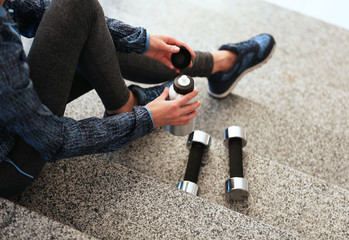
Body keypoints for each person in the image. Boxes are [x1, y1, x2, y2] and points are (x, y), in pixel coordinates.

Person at [0, 0, 275, 197]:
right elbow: (52, 140)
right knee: (86, 29)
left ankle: (217, 64)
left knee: (79, 12)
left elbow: (35, 11)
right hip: (11, 164)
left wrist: (141, 41)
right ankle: (221, 66)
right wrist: (146, 118)